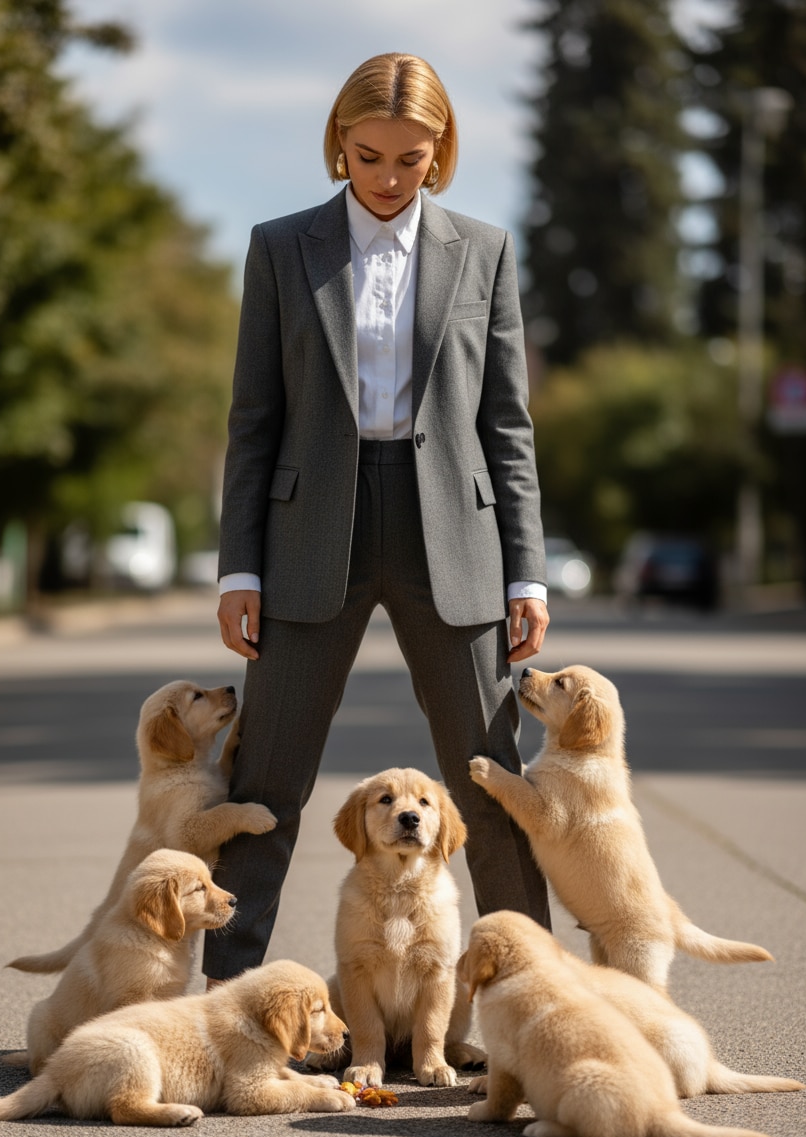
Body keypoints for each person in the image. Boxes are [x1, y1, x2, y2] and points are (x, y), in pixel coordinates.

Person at [204, 52, 551, 986]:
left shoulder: (484, 250)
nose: (390, 178)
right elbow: (253, 421)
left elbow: (506, 424)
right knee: (266, 780)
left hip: (455, 535)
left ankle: (530, 999)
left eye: (411, 159)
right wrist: (240, 569)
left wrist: (526, 570)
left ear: (441, 151)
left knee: (488, 779)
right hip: (310, 530)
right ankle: (227, 1001)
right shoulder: (281, 247)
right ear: (339, 145)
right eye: (369, 157)